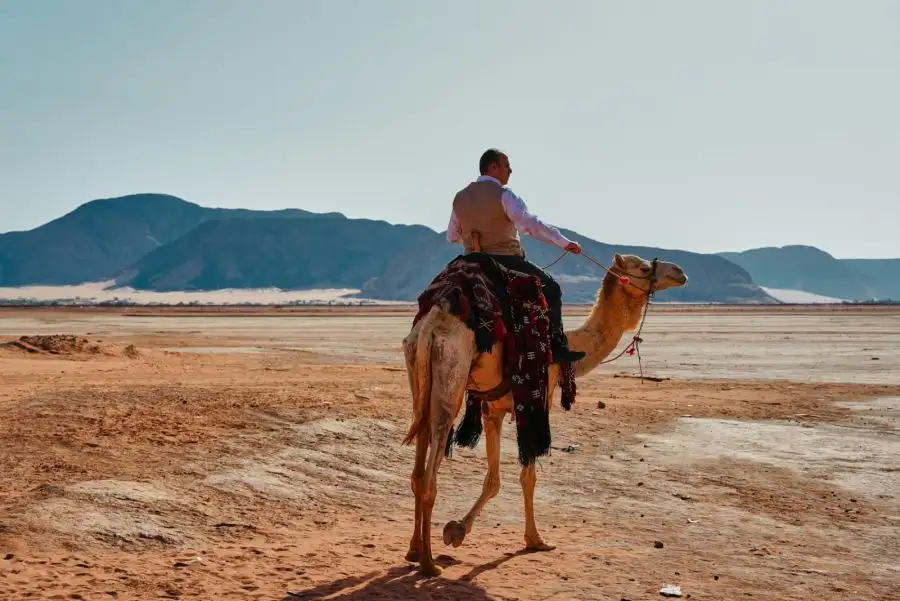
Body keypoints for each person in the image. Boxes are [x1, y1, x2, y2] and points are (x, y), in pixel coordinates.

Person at [446, 148, 586, 364]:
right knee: (553, 290)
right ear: (493, 167)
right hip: (504, 261)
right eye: (507, 165)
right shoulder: (505, 195)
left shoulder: (459, 198)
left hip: (470, 262)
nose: (510, 171)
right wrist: (564, 242)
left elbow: (452, 236)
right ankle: (557, 347)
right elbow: (530, 225)